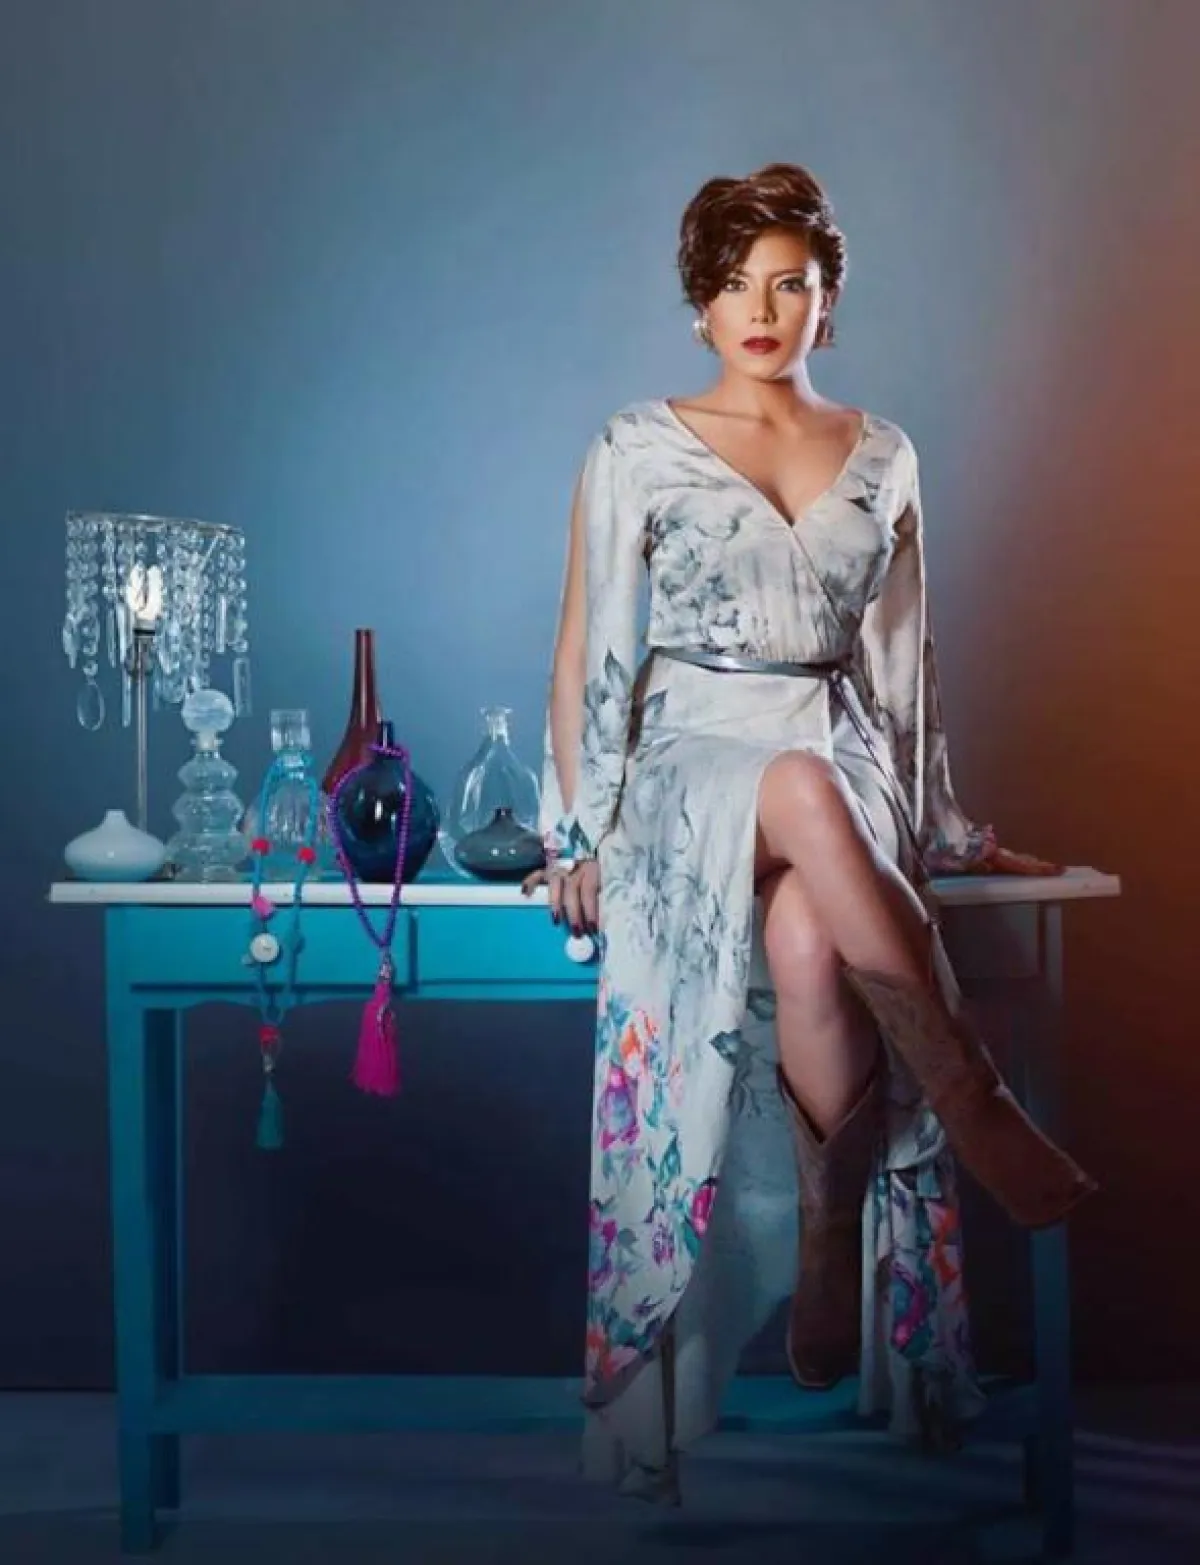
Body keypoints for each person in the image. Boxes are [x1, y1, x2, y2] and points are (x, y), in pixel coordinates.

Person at [521, 162, 1096, 1504]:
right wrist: (579, 830)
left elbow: (902, 666)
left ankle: (830, 1233)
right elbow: (587, 646)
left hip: (839, 756)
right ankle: (975, 1103)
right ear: (700, 308)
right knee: (795, 787)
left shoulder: (884, 453)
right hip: (689, 762)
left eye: (790, 284)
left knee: (804, 933)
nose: (762, 311)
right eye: (735, 287)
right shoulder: (636, 446)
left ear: (829, 300)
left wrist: (941, 826)